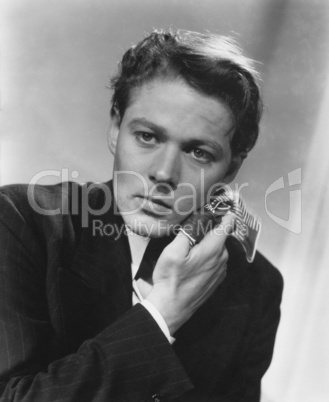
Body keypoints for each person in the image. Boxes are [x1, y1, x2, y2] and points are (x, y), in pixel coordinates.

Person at [0, 29, 283, 401]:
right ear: (116, 129)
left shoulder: (256, 286)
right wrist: (160, 316)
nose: (164, 173)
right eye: (148, 136)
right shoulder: (21, 221)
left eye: (199, 153)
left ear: (230, 170)